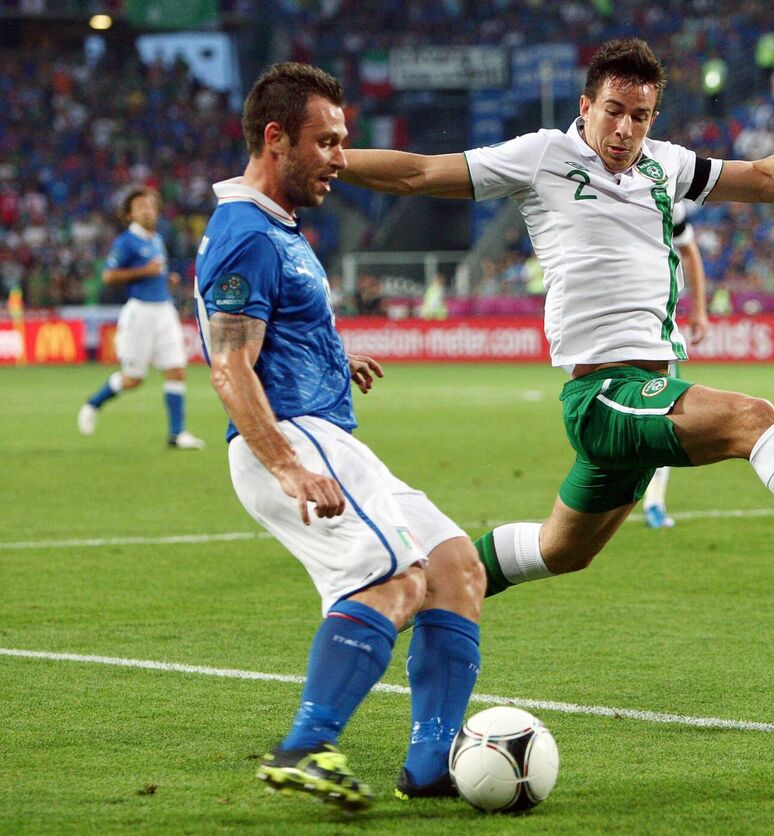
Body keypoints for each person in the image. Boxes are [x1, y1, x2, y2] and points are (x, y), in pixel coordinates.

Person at [341, 38, 774, 600]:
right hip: (603, 395)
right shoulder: (543, 156)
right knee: (753, 419)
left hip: (643, 391)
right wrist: (332, 159)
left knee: (562, 551)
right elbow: (420, 172)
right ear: (585, 108)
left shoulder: (666, 164)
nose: (625, 129)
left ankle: (425, 590)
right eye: (614, 112)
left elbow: (767, 180)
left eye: (641, 115)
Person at [193, 62, 485, 811]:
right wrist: (288, 465)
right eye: (325, 142)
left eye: (344, 140)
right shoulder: (244, 231)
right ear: (275, 138)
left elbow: (276, 330)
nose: (339, 157)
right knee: (395, 578)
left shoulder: (281, 230)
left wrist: (332, 356)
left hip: (324, 431)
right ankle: (305, 747)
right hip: (292, 440)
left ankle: (431, 766)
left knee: (455, 566)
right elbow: (229, 363)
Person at [76, 188, 205, 449]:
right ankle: (93, 404)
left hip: (164, 309)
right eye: (141, 206)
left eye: (151, 205)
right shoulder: (125, 241)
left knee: (177, 369)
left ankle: (177, 434)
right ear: (129, 214)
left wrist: (165, 279)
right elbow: (109, 276)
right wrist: (145, 271)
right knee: (133, 379)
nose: (148, 209)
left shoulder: (157, 239)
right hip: (140, 313)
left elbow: (153, 273)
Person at [642, 199, 710, 529]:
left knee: (665, 417)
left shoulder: (667, 201)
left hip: (657, 331)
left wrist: (698, 309)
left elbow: (689, 250)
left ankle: (654, 502)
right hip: (608, 335)